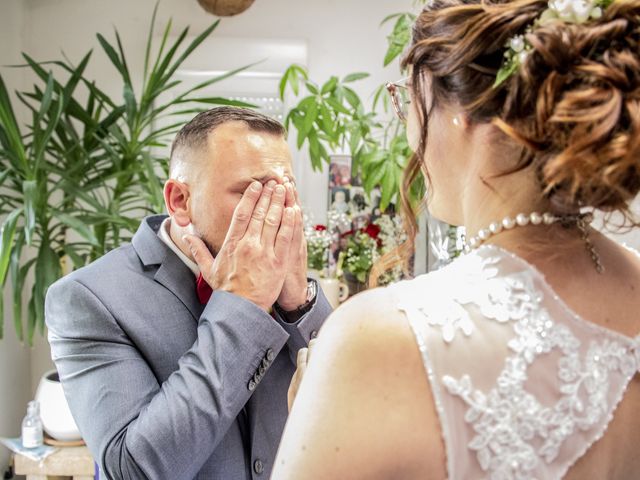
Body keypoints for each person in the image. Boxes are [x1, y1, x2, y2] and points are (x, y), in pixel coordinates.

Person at [273, 1, 640, 479]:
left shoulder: (376, 339)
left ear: (461, 112)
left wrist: (315, 412)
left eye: (407, 98)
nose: (408, 131)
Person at [45, 107, 332, 480]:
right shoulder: (86, 298)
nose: (278, 212)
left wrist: (301, 305)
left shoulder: (286, 278)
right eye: (254, 192)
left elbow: (346, 401)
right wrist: (244, 305)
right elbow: (136, 470)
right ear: (180, 201)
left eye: (286, 192)